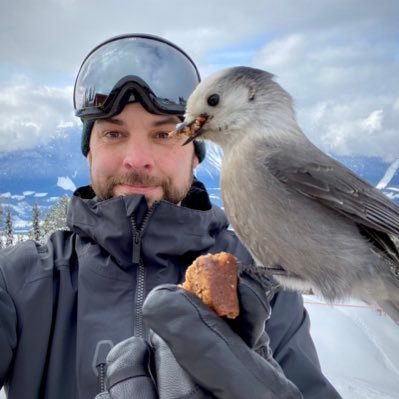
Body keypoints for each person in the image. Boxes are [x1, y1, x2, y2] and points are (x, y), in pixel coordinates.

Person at [0, 33, 341, 398]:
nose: (136, 158)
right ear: (90, 155)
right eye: (113, 133)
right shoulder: (20, 280)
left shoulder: (261, 279)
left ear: (196, 156)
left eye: (164, 134)